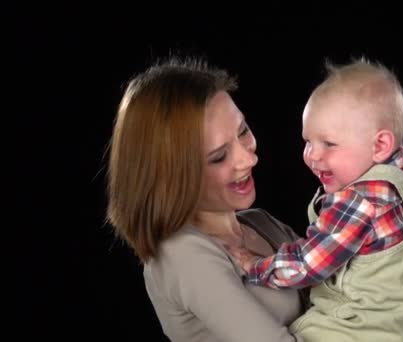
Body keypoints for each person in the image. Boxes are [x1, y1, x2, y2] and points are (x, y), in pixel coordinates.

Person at [229, 57, 403, 341]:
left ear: (380, 145)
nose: (312, 156)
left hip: (353, 331)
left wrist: (253, 264)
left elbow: (307, 265)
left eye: (329, 144)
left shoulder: (359, 201)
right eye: (308, 141)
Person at [106, 56, 308, 342]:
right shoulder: (181, 253)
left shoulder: (262, 223)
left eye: (243, 131)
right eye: (218, 157)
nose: (249, 158)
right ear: (170, 175)